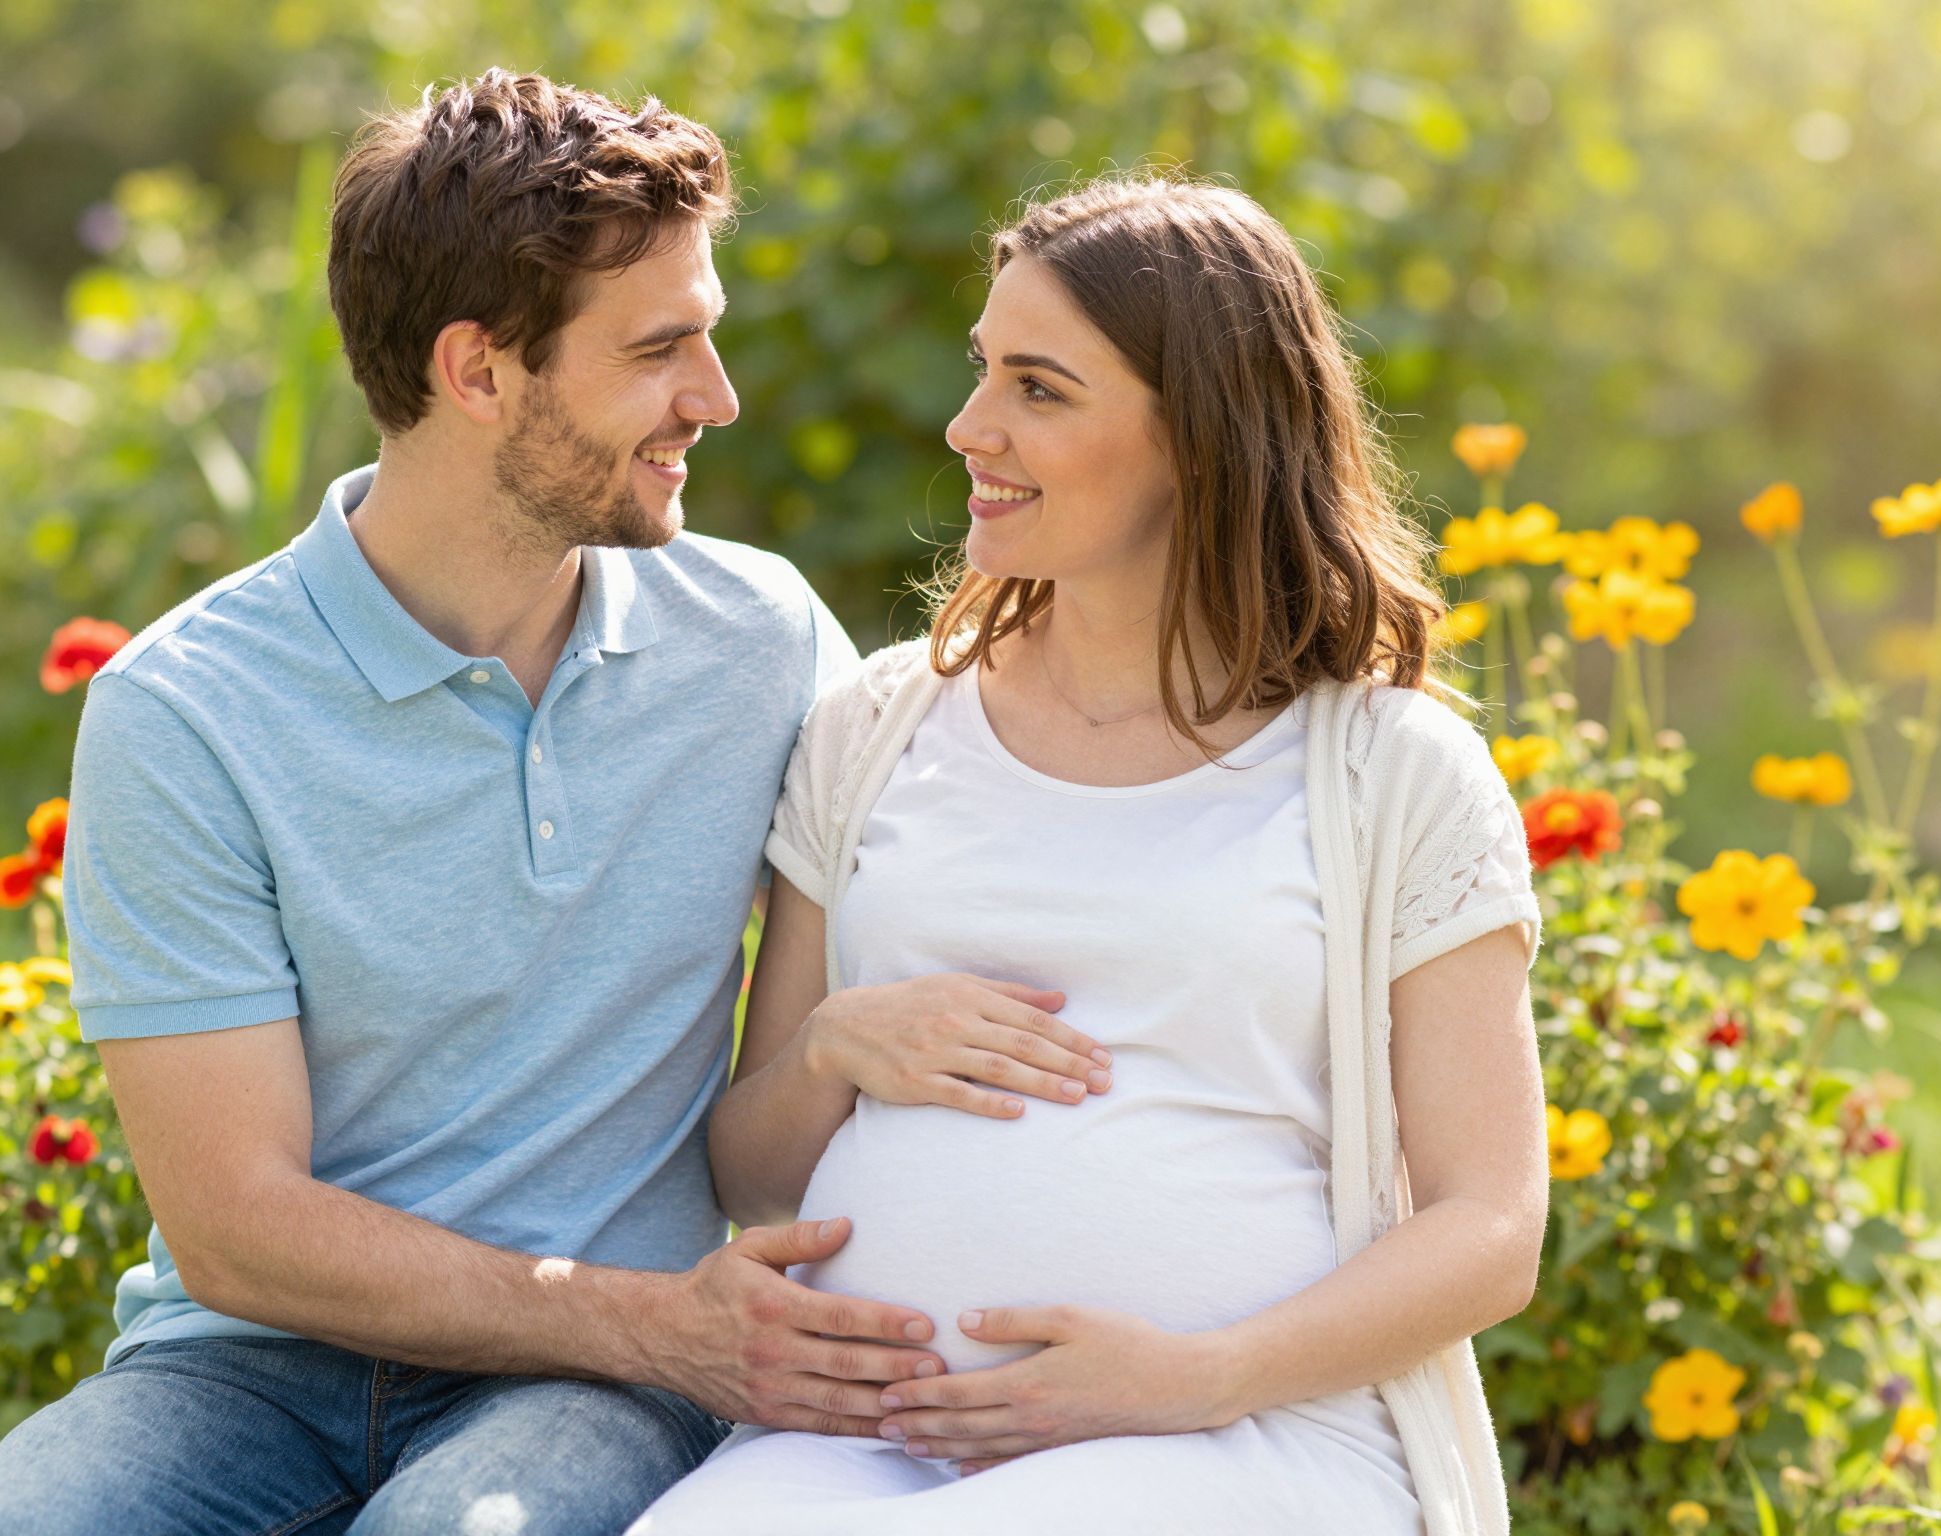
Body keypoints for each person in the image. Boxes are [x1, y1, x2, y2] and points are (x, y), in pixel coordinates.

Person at [0, 70, 955, 1535]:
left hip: (587, 1397)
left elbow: (968, 861)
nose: (718, 398)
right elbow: (241, 1233)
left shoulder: (755, 639)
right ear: (480, 371)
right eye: (662, 350)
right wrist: (654, 1321)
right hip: (250, 1374)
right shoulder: (187, 709)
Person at [631, 175, 1551, 1536]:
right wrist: (833, 1046)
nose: (970, 427)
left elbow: (1489, 1226)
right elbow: (754, 1174)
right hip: (854, 1443)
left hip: (1244, 1439)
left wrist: (1196, 1377)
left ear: (1203, 436)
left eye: (1040, 390)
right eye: (981, 371)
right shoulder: (878, 726)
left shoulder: (1386, 772)